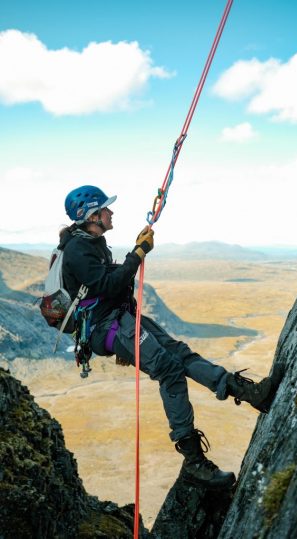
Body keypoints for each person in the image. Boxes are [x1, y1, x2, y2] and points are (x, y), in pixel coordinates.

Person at [60, 185, 284, 489]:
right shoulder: (78, 250)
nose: (111, 212)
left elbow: (111, 288)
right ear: (91, 215)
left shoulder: (93, 241)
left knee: (180, 353)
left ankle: (247, 393)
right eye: (106, 209)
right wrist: (138, 253)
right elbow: (108, 285)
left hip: (121, 320)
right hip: (106, 327)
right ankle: (194, 462)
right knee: (169, 370)